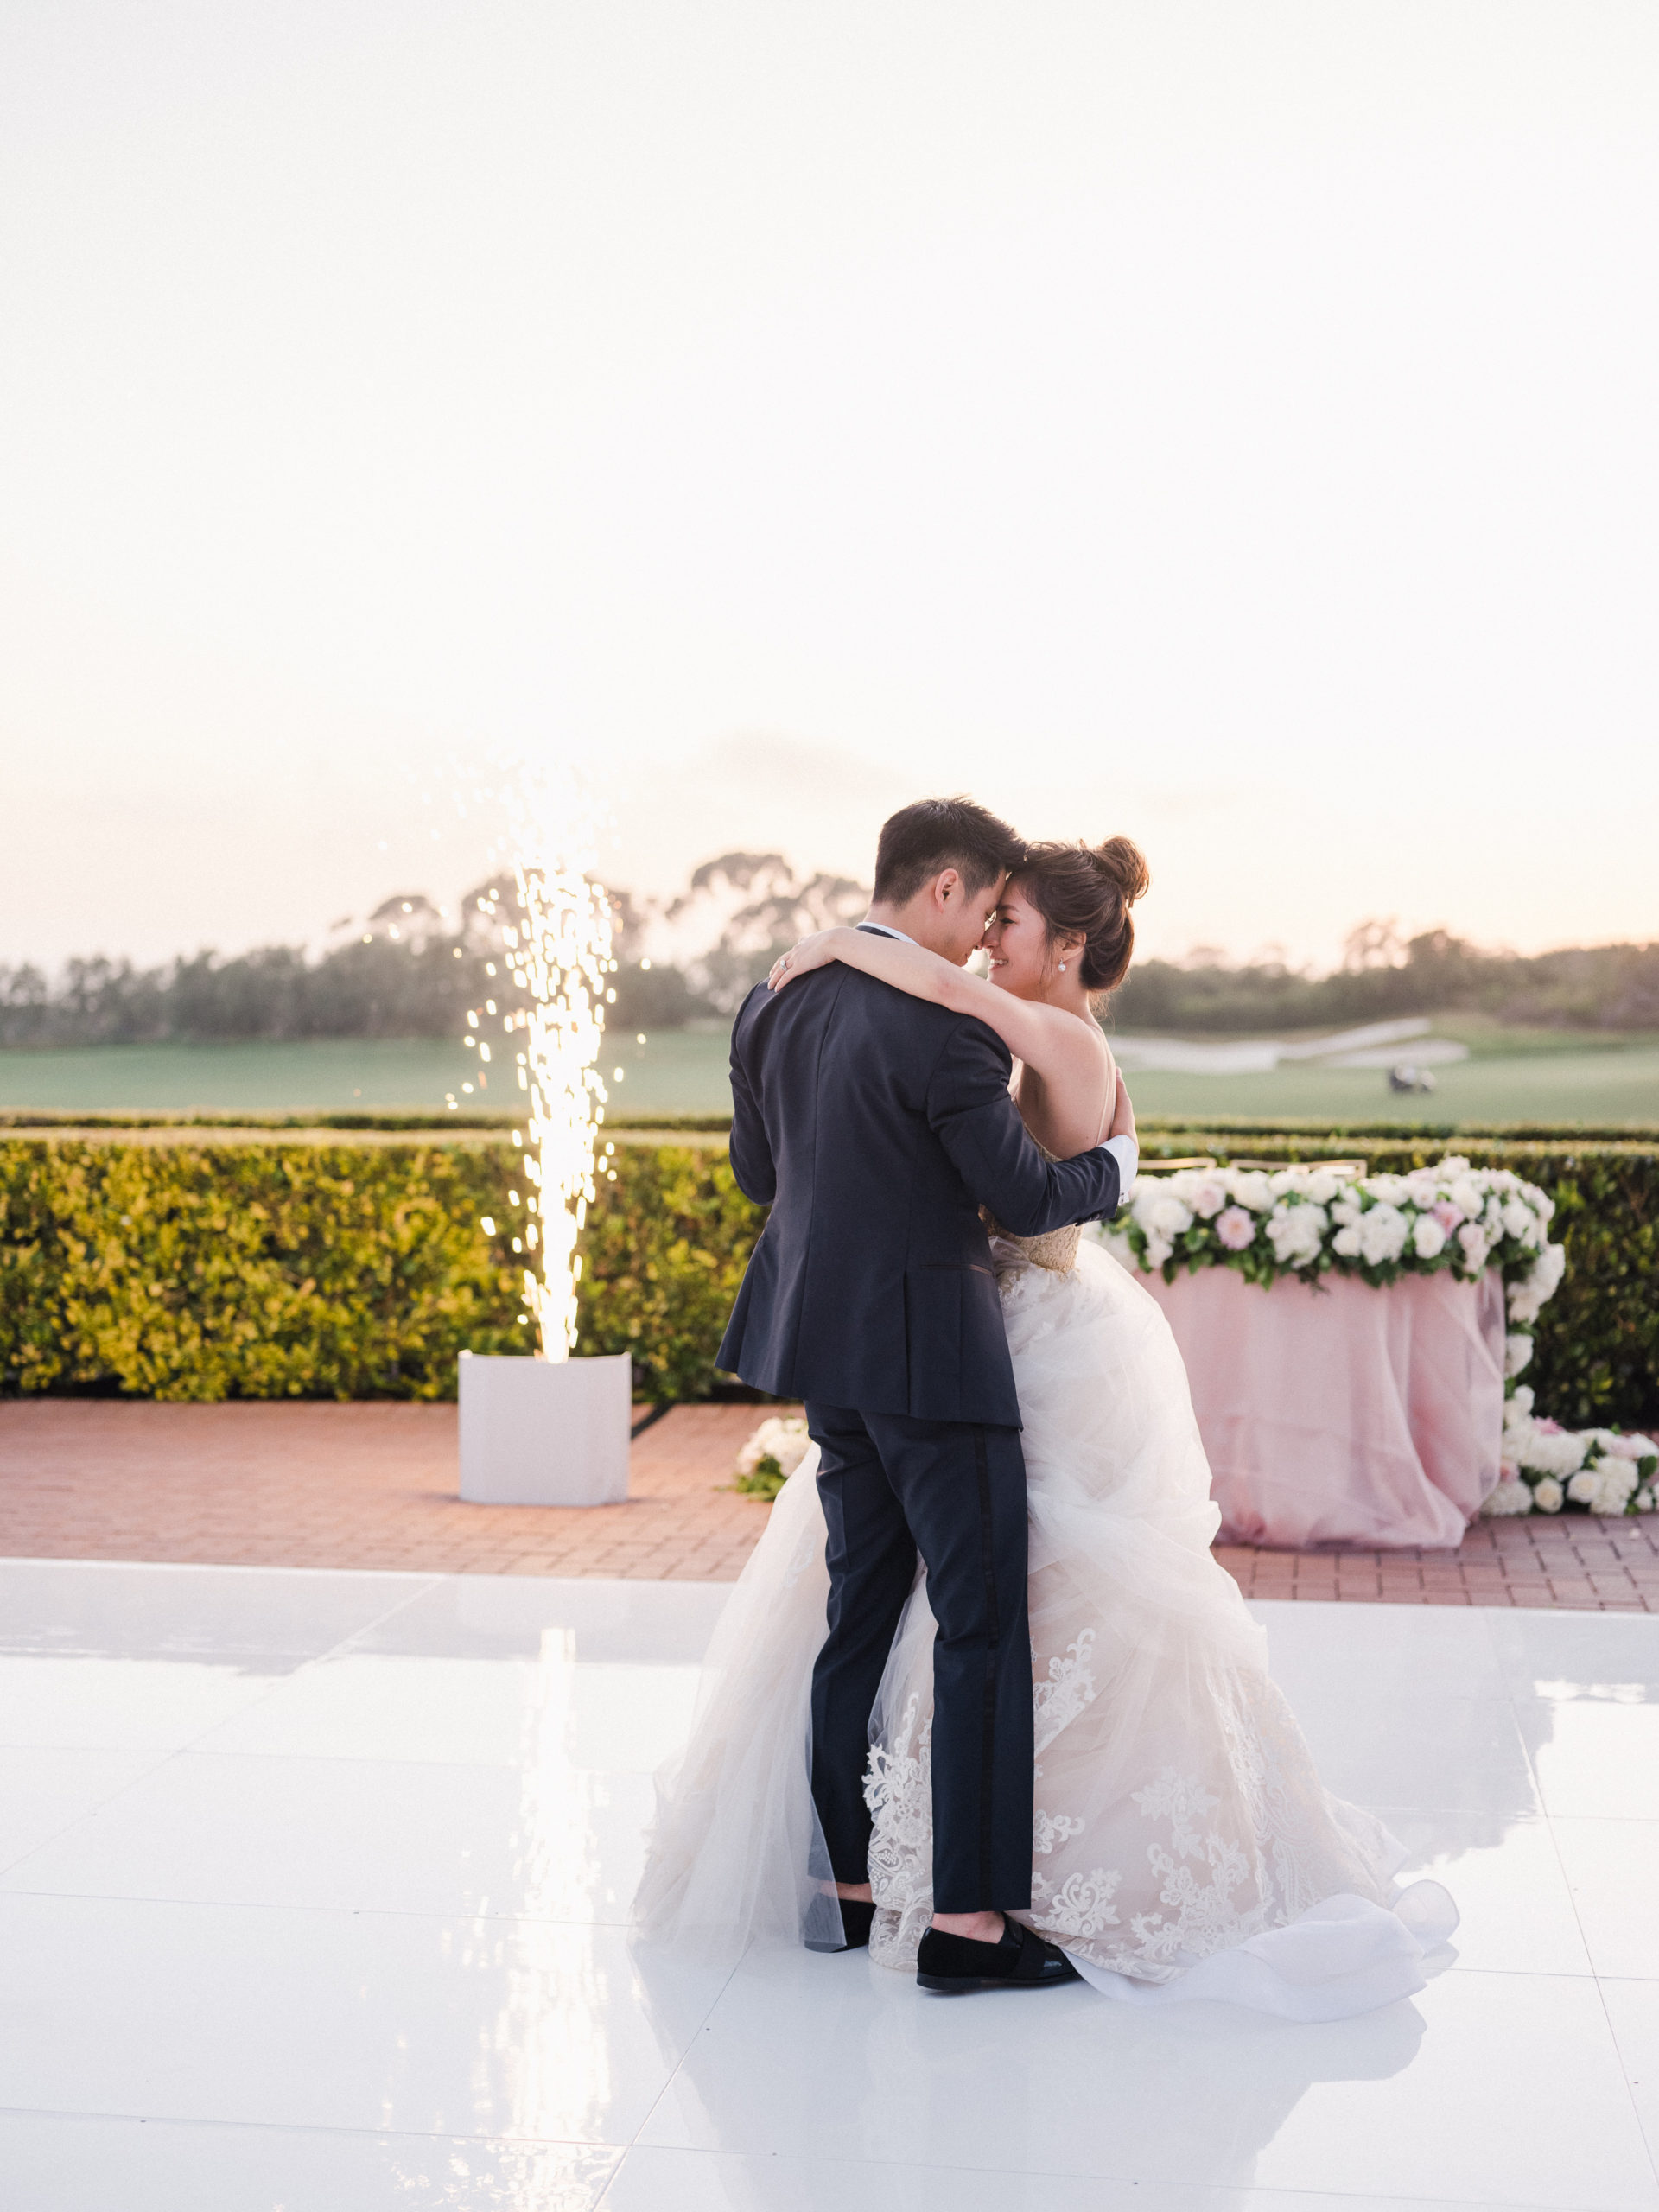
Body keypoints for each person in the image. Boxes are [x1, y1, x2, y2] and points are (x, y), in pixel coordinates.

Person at [635, 820, 1456, 2016]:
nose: (983, 940)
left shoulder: (778, 1005)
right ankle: (967, 1922)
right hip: (941, 1347)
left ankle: (851, 1889)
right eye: (987, 912)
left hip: (844, 1347)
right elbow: (1015, 1190)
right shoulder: (952, 1023)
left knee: (858, 1608)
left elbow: (767, 1178)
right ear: (955, 887)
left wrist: (829, 946)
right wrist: (1116, 1169)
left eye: (1008, 924)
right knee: (978, 1623)